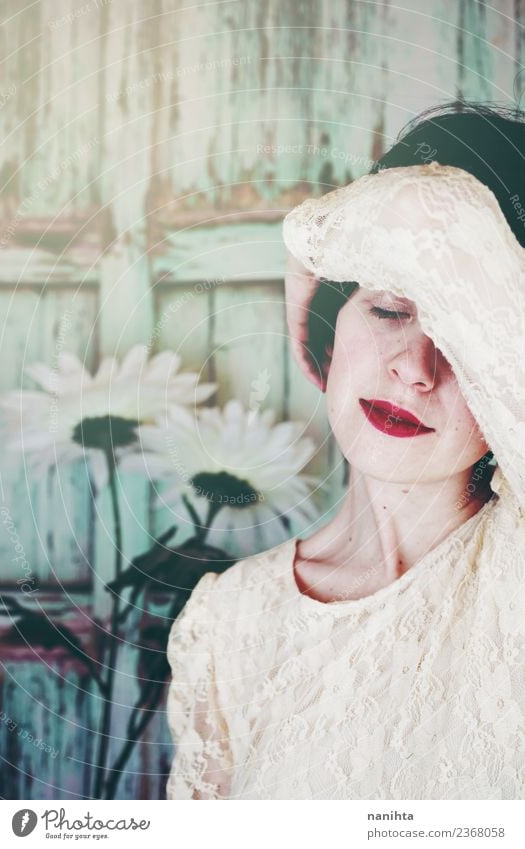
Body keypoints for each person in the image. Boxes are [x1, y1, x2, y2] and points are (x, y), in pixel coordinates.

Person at [165, 101, 525, 800]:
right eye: (388, 309)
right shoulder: (228, 621)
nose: (415, 368)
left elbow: (432, 208)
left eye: (465, 338)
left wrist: (305, 242)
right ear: (332, 329)